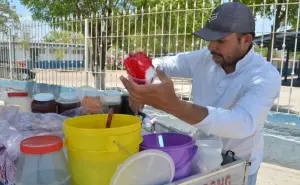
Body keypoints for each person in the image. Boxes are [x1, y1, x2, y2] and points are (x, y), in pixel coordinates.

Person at [120, 2, 281, 185]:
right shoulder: (205, 58)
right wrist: (140, 74)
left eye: (221, 41)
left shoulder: (265, 75)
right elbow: (166, 64)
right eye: (210, 38)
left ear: (245, 40)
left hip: (238, 165)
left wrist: (174, 106)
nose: (212, 46)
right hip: (202, 156)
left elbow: (242, 123)